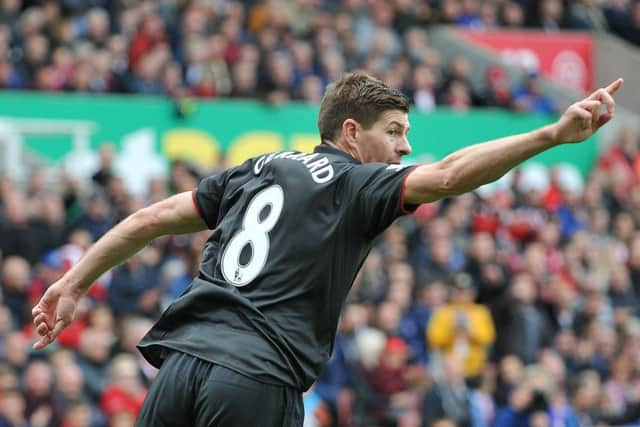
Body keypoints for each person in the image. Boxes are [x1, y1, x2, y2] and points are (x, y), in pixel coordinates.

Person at [31, 72, 623, 426]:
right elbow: (446, 177)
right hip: (255, 377)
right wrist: (549, 135)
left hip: (179, 366)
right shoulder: (352, 181)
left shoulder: (257, 167)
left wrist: (76, 280)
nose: (403, 146)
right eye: (393, 132)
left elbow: (155, 217)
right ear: (349, 132)